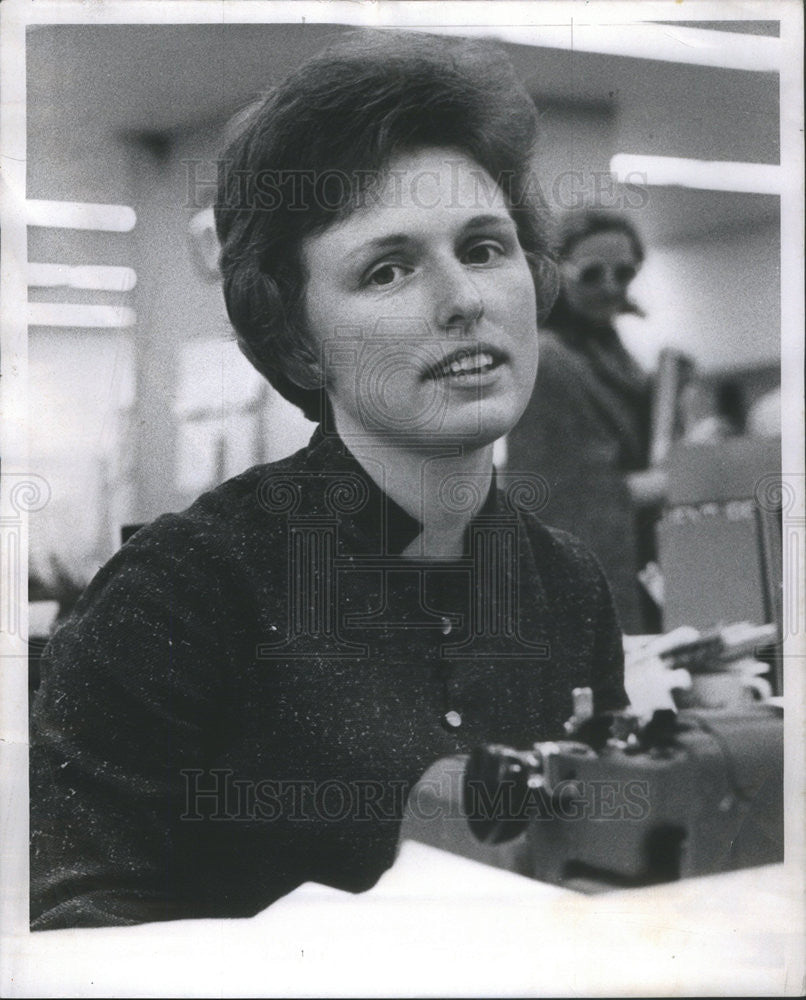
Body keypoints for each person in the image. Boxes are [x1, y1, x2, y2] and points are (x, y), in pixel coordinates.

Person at [29, 30, 627, 930]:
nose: (462, 297)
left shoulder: (566, 586)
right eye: (387, 269)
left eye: (486, 247)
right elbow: (73, 920)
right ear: (299, 338)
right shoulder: (181, 595)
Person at [506, 209, 661, 634]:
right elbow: (555, 494)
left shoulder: (617, 355)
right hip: (598, 576)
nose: (611, 287)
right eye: (591, 273)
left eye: (624, 273)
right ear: (554, 273)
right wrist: (664, 482)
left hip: (639, 562)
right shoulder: (548, 359)